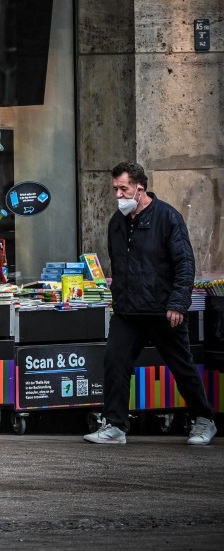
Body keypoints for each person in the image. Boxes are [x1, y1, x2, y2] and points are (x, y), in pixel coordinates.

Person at [84, 161, 216, 446]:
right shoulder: (117, 223)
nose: (118, 195)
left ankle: (204, 420)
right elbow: (118, 265)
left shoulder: (167, 218)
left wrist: (178, 304)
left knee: (182, 366)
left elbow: (184, 263)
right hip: (128, 311)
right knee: (115, 363)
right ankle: (115, 426)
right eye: (115, 189)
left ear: (139, 188)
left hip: (163, 310)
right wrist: (117, 298)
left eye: (123, 189)